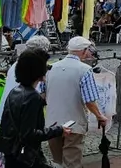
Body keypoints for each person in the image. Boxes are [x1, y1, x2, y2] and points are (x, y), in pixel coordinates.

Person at [0, 50, 71, 168]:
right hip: (24, 156)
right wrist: (58, 130)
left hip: (11, 152)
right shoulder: (32, 97)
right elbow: (29, 134)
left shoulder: (15, 91)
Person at [46, 36, 107, 168]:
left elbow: (41, 94)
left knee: (57, 162)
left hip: (52, 123)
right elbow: (90, 100)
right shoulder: (84, 70)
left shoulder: (51, 68)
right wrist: (99, 116)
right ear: (84, 51)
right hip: (74, 123)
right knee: (72, 162)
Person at [0, 35, 52, 125]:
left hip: (9, 109)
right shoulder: (35, 67)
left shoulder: (17, 64)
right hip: (23, 113)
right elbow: (39, 93)